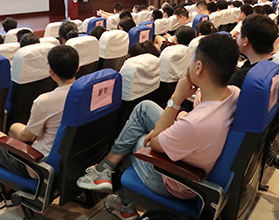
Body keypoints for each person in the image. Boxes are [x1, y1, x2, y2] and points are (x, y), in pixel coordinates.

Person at [76, 34, 240, 220]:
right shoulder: (234, 93)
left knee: (137, 140)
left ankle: (124, 203)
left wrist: (177, 98)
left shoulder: (194, 125)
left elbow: (154, 143)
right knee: (144, 109)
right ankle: (104, 171)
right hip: (196, 149)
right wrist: (181, 117)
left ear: (199, 67)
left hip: (176, 181)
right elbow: (197, 114)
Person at [0, 45, 79, 210]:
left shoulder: (45, 101)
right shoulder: (84, 93)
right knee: (15, 127)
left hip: (41, 164)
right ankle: (8, 190)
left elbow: (27, 137)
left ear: (51, 72)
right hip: (69, 155)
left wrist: (29, 141)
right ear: (77, 68)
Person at [231, 14, 277, 88]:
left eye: (239, 34)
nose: (237, 38)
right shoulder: (274, 64)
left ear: (245, 41)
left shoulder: (241, 78)